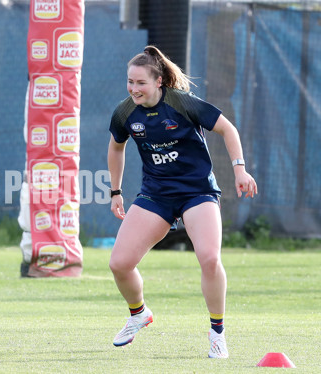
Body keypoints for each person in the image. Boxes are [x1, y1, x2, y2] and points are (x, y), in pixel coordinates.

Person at [107, 45, 257, 358]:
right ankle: (139, 314)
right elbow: (116, 148)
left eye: (141, 83)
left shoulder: (182, 104)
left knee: (209, 258)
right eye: (130, 82)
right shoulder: (125, 113)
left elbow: (227, 129)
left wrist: (239, 169)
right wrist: (116, 191)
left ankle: (217, 333)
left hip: (197, 191)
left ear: (158, 81)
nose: (134, 88)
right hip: (156, 194)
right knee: (119, 264)